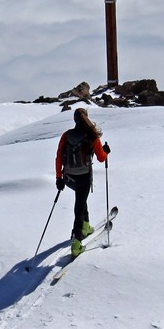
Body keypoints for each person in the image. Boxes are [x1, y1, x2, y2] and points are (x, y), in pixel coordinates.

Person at [55, 107, 110, 257]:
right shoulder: (92, 136)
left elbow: (59, 157)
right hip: (84, 177)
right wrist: (106, 151)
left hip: (68, 178)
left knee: (81, 199)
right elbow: (101, 157)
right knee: (80, 203)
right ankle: (77, 241)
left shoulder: (66, 136)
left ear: (74, 120)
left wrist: (58, 178)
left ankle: (86, 226)